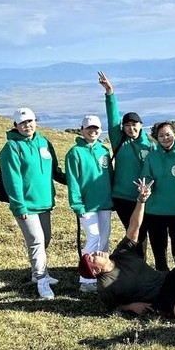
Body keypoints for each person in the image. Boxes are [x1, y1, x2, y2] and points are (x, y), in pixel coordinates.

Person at [79, 178, 175, 320]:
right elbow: (111, 307)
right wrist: (130, 307)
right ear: (96, 270)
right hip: (159, 301)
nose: (96, 252)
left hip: (168, 279)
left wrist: (141, 201)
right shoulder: (105, 286)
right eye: (93, 258)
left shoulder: (121, 253)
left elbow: (134, 226)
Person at [0, 107, 67, 300]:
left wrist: (76, 180)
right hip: (25, 206)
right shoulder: (11, 148)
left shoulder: (44, 142)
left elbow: (56, 171)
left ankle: (37, 273)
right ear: (15, 126)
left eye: (30, 121)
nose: (27, 125)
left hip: (44, 202)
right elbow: (12, 180)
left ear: (35, 121)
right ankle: (41, 280)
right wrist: (18, 206)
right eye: (22, 123)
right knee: (36, 241)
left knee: (45, 239)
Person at [97, 71, 153, 257]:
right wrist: (110, 93)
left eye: (134, 124)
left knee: (142, 233)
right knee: (132, 234)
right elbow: (112, 118)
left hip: (142, 198)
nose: (131, 128)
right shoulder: (119, 140)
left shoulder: (150, 145)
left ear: (141, 125)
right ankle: (132, 264)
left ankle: (138, 265)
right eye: (127, 125)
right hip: (121, 197)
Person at [65, 114, 114, 293]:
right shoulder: (74, 153)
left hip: (105, 203)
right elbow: (73, 181)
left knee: (105, 238)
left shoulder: (103, 150)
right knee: (93, 237)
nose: (92, 131)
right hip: (86, 205)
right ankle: (85, 279)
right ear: (82, 130)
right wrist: (77, 205)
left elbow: (109, 176)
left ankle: (101, 274)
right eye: (89, 128)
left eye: (96, 128)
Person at [140, 121, 175, 271]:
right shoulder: (151, 157)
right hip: (154, 210)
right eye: (161, 135)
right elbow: (146, 176)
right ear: (156, 138)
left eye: (168, 134)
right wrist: (146, 187)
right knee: (158, 245)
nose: (165, 138)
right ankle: (162, 273)